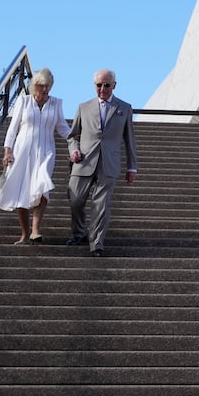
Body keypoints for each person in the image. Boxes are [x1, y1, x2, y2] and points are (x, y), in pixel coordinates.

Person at [0, 66, 72, 245]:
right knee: (21, 191)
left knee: (42, 187)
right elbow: (13, 128)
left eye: (47, 86)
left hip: (46, 151)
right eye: (41, 85)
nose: (44, 89)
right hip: (22, 149)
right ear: (34, 85)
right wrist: (7, 151)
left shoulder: (56, 103)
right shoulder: (24, 101)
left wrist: (78, 136)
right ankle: (24, 233)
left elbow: (62, 127)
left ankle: (36, 230)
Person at [67, 68, 137, 257]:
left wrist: (132, 167)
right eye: (99, 85)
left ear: (114, 85)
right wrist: (74, 150)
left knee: (101, 204)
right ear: (94, 86)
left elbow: (129, 139)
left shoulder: (124, 108)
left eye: (107, 85)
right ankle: (79, 233)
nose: (103, 89)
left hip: (109, 163)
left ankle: (96, 243)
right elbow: (72, 135)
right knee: (75, 199)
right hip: (83, 162)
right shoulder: (84, 107)